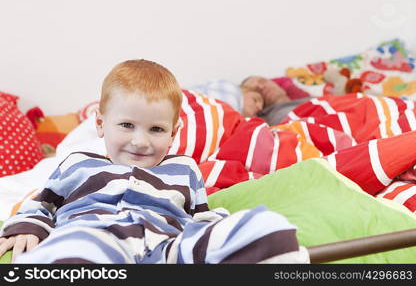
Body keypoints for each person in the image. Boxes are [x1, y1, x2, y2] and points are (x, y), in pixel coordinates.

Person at [0, 59, 307, 264]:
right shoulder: (77, 163)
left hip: (165, 248)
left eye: (156, 129)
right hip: (95, 234)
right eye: (127, 126)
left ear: (173, 133)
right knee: (73, 249)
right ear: (101, 124)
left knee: (269, 228)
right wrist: (29, 225)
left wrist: (218, 229)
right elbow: (41, 203)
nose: (141, 141)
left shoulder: (184, 169)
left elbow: (199, 215)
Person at [240, 75, 310, 126]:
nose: (261, 87)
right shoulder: (268, 119)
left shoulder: (309, 99)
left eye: (262, 81)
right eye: (256, 89)